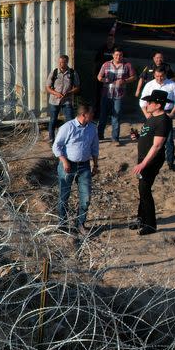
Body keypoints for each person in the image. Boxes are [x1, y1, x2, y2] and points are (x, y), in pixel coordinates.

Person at [52, 103, 99, 235]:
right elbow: (56, 146)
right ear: (84, 115)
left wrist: (95, 165)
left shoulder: (92, 128)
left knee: (86, 196)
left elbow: (95, 147)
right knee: (64, 195)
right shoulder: (68, 127)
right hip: (68, 165)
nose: (93, 115)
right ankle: (62, 223)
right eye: (91, 113)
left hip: (84, 166)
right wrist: (64, 161)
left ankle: (80, 223)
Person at [131, 90, 170, 235]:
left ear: (158, 105)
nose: (147, 104)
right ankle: (141, 219)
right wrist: (138, 136)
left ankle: (151, 225)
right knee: (142, 189)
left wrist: (143, 164)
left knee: (145, 190)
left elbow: (157, 146)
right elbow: (148, 135)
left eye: (150, 102)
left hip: (151, 161)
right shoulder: (152, 117)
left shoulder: (163, 121)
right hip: (144, 159)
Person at [136, 66, 175, 171]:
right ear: (154, 75)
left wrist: (172, 114)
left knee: (169, 139)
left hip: (166, 113)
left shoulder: (172, 84)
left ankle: (170, 162)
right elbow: (142, 101)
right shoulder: (149, 84)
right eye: (157, 76)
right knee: (148, 138)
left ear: (165, 75)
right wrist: (147, 115)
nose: (159, 78)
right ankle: (149, 159)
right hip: (151, 114)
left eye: (161, 76)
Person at [97, 47, 136, 144]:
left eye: (120, 55)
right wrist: (104, 80)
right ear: (113, 55)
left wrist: (124, 81)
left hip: (119, 94)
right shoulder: (106, 65)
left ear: (122, 55)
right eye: (116, 55)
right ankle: (99, 136)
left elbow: (134, 77)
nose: (118, 57)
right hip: (106, 93)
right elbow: (99, 77)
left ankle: (115, 138)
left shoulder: (127, 65)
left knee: (116, 116)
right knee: (103, 115)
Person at [45, 54, 81, 144]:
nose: (61, 64)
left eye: (63, 62)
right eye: (60, 62)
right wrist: (55, 93)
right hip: (54, 101)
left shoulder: (72, 73)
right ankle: (51, 139)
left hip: (67, 101)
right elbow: (47, 87)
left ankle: (70, 139)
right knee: (53, 120)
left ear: (67, 62)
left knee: (70, 120)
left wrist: (69, 93)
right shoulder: (54, 72)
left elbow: (77, 87)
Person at [93, 35, 116, 116]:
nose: (110, 41)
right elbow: (96, 61)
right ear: (107, 40)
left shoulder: (116, 49)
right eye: (109, 39)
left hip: (113, 77)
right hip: (102, 76)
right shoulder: (102, 49)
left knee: (111, 94)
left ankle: (110, 112)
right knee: (99, 94)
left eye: (112, 40)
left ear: (114, 41)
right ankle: (97, 112)